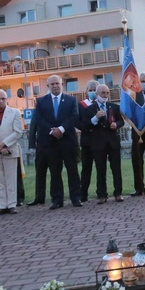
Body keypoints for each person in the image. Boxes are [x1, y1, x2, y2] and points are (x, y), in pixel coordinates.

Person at [32, 75, 82, 208]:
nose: (55, 86)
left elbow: (74, 116)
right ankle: (57, 199)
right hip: (50, 142)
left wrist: (61, 129)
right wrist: (52, 130)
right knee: (54, 171)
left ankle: (76, 197)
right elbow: (39, 119)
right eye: (52, 84)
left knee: (72, 170)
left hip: (68, 141)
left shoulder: (71, 100)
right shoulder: (41, 101)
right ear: (48, 86)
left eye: (57, 83)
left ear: (62, 85)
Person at [81, 84, 125, 203]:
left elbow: (121, 121)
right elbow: (85, 125)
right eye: (103, 93)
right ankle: (102, 194)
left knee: (116, 168)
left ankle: (118, 193)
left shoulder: (114, 107)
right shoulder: (90, 109)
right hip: (97, 143)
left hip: (113, 142)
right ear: (97, 94)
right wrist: (95, 118)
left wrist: (117, 124)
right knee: (100, 170)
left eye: (107, 93)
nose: (105, 95)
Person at [78, 80, 99, 202]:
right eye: (90, 91)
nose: (92, 93)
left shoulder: (101, 104)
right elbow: (78, 121)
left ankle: (100, 192)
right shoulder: (81, 105)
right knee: (86, 168)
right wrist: (87, 128)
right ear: (86, 92)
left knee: (100, 168)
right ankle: (83, 193)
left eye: (94, 91)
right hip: (87, 140)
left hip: (99, 140)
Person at [26, 117, 48, 206]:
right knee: (40, 173)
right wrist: (32, 145)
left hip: (55, 145)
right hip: (41, 146)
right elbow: (33, 128)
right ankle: (39, 197)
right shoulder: (39, 108)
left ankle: (56, 197)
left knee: (56, 173)